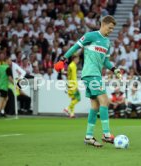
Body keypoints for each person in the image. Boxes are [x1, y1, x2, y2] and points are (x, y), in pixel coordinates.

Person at [54, 15, 121, 147]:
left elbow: (105, 61)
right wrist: (63, 59)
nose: (111, 31)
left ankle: (88, 137)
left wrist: (114, 69)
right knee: (105, 101)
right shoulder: (91, 36)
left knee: (95, 106)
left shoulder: (107, 43)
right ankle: (106, 134)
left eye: (113, 29)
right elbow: (75, 47)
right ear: (103, 24)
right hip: (91, 74)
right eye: (110, 28)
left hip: (95, 74)